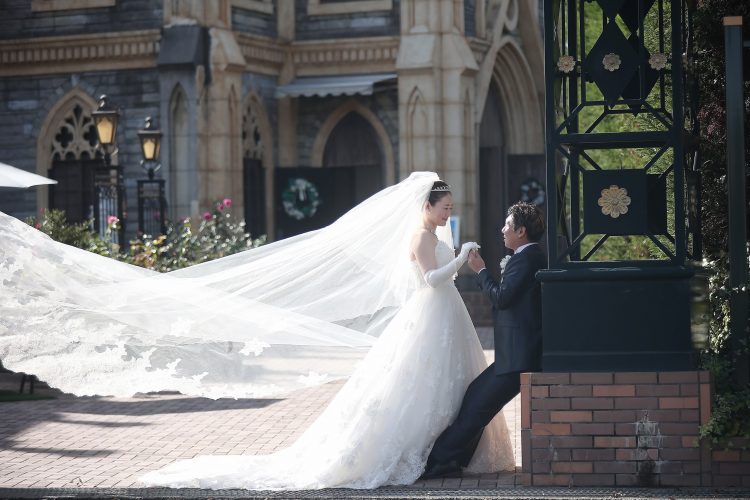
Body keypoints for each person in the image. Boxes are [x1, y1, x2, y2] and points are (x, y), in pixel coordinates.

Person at [0, 172, 514, 489]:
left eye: (449, 209)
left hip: (447, 319)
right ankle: (417, 452)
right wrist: (460, 259)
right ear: (425, 207)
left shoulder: (437, 233)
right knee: (417, 389)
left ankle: (447, 450)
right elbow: (428, 279)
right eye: (443, 208)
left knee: (447, 386)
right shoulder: (420, 238)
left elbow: (444, 273)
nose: (448, 213)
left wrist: (465, 260)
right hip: (431, 316)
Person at [423, 201, 545, 478]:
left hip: (519, 356)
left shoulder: (526, 259)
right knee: (476, 400)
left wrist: (480, 271)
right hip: (514, 354)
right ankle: (451, 460)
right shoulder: (528, 256)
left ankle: (439, 462)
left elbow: (501, 298)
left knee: (477, 405)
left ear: (521, 231)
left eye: (508, 225)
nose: (502, 230)